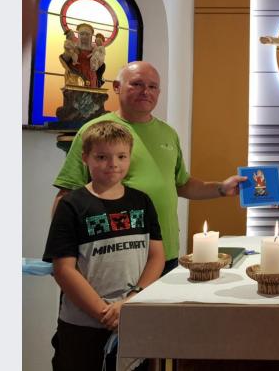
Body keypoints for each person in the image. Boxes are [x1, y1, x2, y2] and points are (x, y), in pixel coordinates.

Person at [53, 61, 246, 274]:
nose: (146, 91)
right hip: (114, 253)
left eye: (152, 87)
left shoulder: (167, 133)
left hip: (165, 251)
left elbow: (181, 184)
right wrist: (63, 253)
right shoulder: (96, 131)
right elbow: (67, 193)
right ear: (117, 87)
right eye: (137, 84)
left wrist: (221, 188)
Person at [44, 121, 163, 371]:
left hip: (131, 317)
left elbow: (156, 257)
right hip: (82, 327)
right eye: (102, 157)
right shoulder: (72, 205)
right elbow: (64, 269)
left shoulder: (142, 202)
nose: (113, 164)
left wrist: (131, 301)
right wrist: (103, 312)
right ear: (85, 157)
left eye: (121, 156)